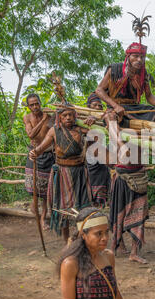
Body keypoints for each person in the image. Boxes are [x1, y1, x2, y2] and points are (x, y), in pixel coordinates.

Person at [29, 106, 92, 243]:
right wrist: (34, 152)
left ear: (75, 117)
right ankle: (66, 242)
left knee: (81, 207)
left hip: (79, 173)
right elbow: (41, 148)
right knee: (63, 208)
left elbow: (97, 138)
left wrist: (90, 124)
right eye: (65, 115)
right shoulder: (54, 131)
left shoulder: (82, 130)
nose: (68, 118)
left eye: (70, 115)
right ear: (60, 118)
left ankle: (79, 239)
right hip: (62, 173)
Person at [95, 42, 155, 127]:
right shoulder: (115, 69)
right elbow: (99, 90)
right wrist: (115, 106)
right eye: (135, 56)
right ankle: (118, 139)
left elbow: (149, 96)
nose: (139, 60)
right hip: (115, 108)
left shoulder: (143, 74)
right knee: (111, 117)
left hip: (135, 108)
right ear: (128, 56)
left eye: (142, 57)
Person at [58, 207, 122, 299]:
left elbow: (114, 291)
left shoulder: (109, 256)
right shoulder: (71, 264)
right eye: (98, 233)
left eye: (106, 232)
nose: (105, 238)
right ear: (83, 235)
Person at [23, 93, 55, 230]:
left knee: (46, 192)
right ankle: (35, 211)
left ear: (40, 103)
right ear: (29, 106)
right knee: (34, 188)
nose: (35, 106)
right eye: (32, 105)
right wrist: (43, 121)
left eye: (37, 103)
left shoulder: (50, 115)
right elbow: (31, 134)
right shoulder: (27, 117)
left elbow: (56, 130)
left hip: (48, 154)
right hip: (34, 153)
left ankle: (43, 219)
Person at [85, 93, 111, 208]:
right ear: (88, 107)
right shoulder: (84, 120)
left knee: (101, 195)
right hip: (89, 161)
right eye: (94, 105)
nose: (97, 108)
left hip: (102, 162)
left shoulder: (105, 121)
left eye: (99, 106)